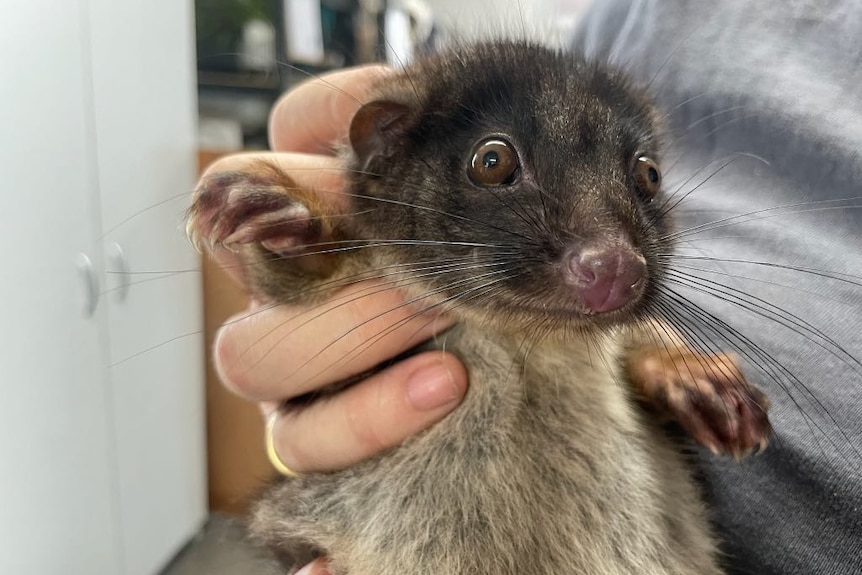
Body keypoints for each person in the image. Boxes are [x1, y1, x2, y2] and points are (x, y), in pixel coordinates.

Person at [204, 1, 862, 573]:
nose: (615, 256)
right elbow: (312, 283)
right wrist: (293, 231)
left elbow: (633, 341)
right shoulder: (389, 252)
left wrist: (675, 367)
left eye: (644, 180)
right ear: (388, 147)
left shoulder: (613, 325)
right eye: (495, 166)